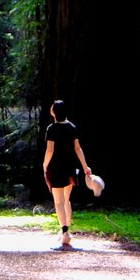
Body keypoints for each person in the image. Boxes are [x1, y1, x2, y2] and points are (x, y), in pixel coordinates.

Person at [42, 100, 102, 249]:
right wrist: (85, 166)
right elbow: (77, 148)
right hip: (70, 168)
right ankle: (66, 231)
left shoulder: (51, 128)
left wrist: (45, 165)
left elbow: (50, 150)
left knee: (58, 202)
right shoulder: (72, 127)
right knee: (66, 200)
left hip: (56, 168)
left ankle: (65, 233)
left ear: (54, 113)